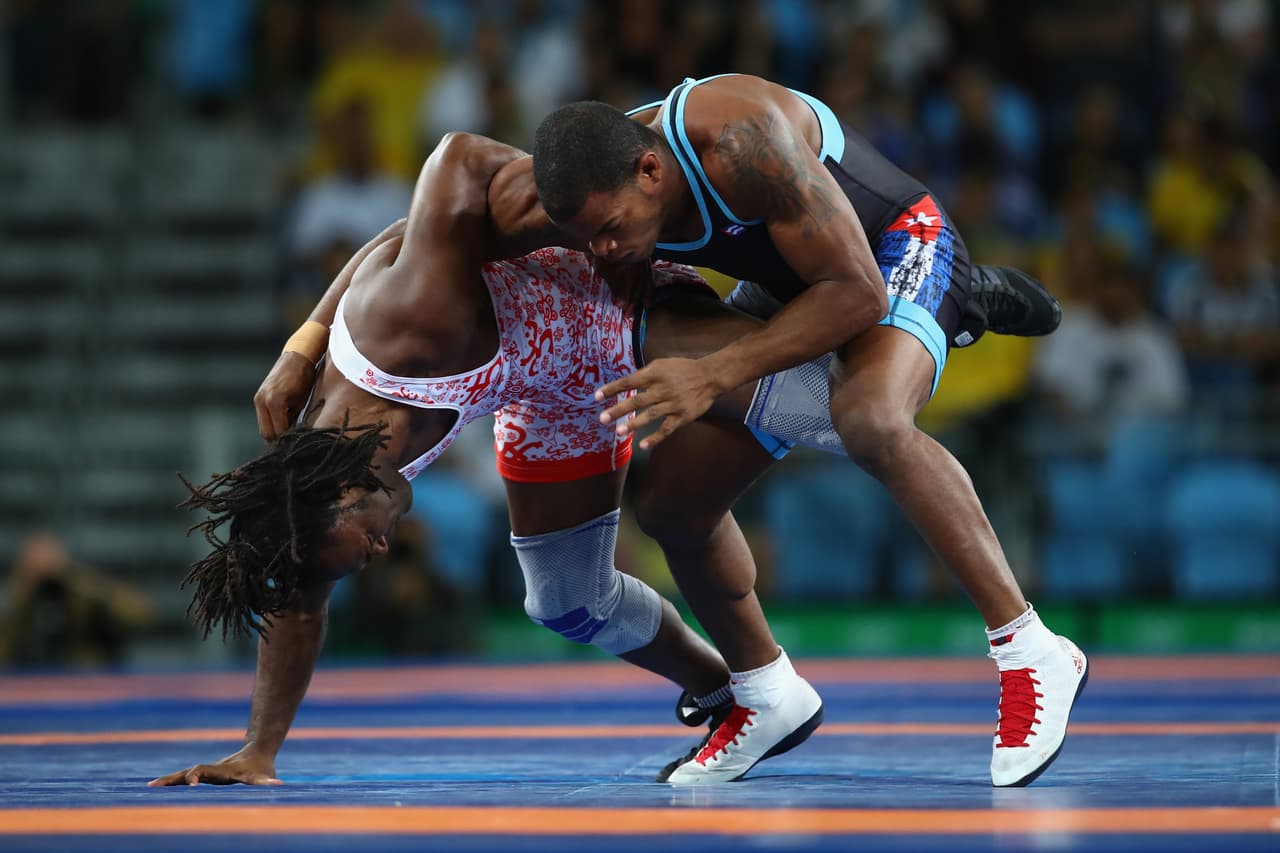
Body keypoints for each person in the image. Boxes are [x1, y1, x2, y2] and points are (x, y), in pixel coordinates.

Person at [149, 133, 849, 788]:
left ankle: (920, 299)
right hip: (541, 385)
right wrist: (260, 748)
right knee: (567, 598)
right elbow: (299, 601)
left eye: (369, 542)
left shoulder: (409, 327)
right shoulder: (318, 492)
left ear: (342, 491)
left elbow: (457, 162)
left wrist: (606, 225)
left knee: (850, 418)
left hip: (603, 300)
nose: (388, 544)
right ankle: (725, 688)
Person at [530, 73, 1086, 787]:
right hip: (790, 282)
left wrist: (715, 371)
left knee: (871, 420)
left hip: (885, 252)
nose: (602, 251)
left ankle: (1031, 647)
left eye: (610, 230)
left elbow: (856, 292)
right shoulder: (582, 181)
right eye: (586, 238)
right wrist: (338, 310)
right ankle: (765, 693)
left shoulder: (739, 139)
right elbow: (446, 216)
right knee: (671, 501)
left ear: (651, 168)